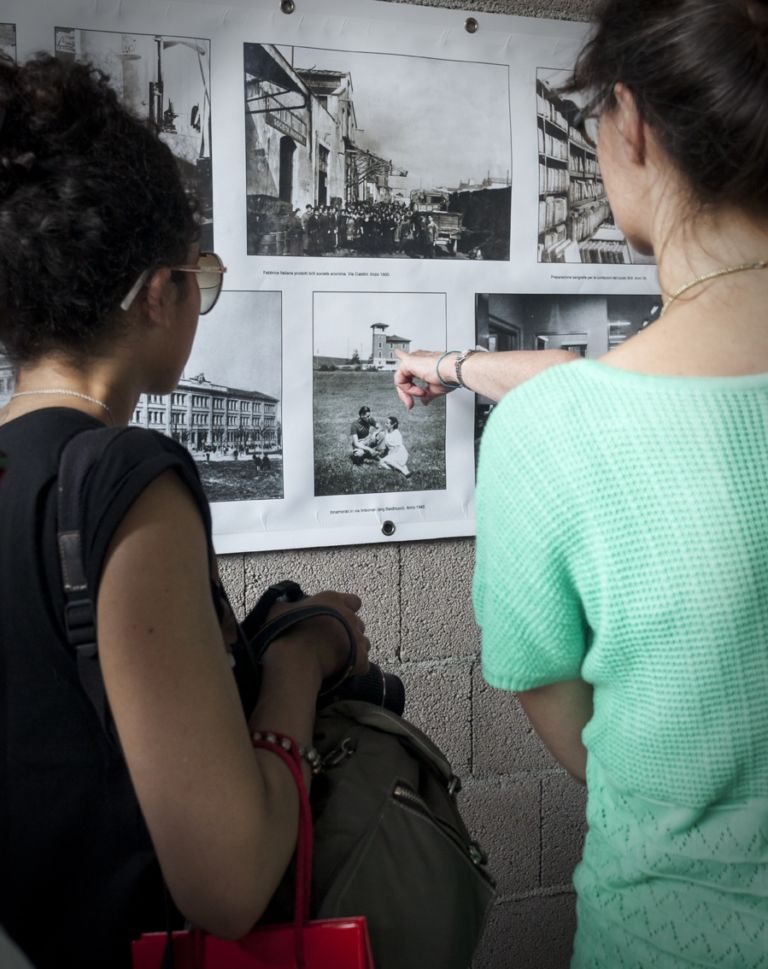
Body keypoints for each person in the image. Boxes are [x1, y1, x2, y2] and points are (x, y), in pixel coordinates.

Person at [394, 1, 768, 965]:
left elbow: (573, 726)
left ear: (631, 123)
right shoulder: (568, 411)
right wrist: (454, 362)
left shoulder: (553, 436)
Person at [0, 54, 369, 969]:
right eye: (197, 278)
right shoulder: (123, 475)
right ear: (161, 294)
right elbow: (231, 882)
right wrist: (299, 659)